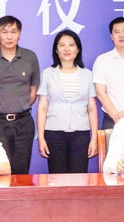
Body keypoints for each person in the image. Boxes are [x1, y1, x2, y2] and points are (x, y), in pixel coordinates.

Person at [0, 16, 40, 174]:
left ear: (19, 34)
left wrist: (19, 107)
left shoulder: (30, 57)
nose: (9, 36)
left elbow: (33, 91)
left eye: (13, 32)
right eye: (5, 32)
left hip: (23, 123)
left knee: (21, 171)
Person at [36, 30, 99, 173]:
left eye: (71, 45)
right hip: (54, 133)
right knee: (57, 178)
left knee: (79, 178)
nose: (67, 49)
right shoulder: (47, 74)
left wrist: (94, 139)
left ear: (78, 50)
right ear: (56, 50)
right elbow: (42, 107)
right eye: (62, 45)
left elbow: (92, 108)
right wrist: (41, 138)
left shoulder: (88, 75)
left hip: (80, 134)